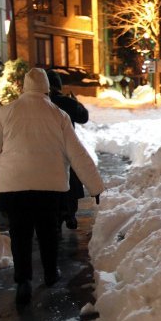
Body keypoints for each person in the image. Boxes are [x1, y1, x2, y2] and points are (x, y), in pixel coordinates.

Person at [0, 68, 104, 307]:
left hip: (13, 187)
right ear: (46, 87)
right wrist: (95, 187)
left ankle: (23, 280)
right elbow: (78, 154)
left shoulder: (6, 113)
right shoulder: (59, 115)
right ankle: (51, 272)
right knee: (48, 231)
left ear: (24, 86)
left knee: (19, 234)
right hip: (49, 187)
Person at [45, 69, 89, 230]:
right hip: (65, 149)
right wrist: (76, 103)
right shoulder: (66, 102)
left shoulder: (38, 104)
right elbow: (83, 117)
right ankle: (70, 213)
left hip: (44, 150)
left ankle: (54, 215)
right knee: (71, 180)